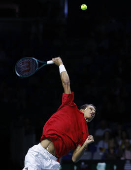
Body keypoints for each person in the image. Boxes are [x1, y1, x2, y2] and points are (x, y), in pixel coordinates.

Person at [23, 57, 96, 170]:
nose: (93, 112)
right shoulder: (70, 105)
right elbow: (66, 83)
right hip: (38, 154)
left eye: (94, 112)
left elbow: (75, 158)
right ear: (82, 109)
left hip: (52, 163)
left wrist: (85, 144)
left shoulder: (85, 133)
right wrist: (60, 64)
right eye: (91, 109)